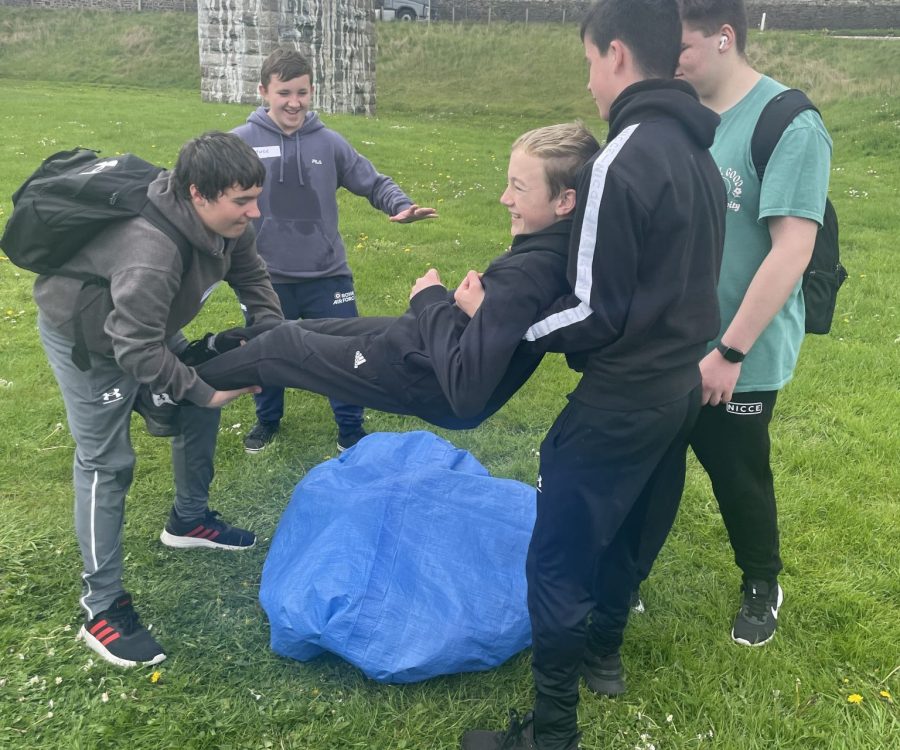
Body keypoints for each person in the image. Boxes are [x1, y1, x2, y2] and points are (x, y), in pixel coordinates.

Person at [461, 1, 725, 748]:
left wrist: (500, 323)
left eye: (587, 64)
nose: (589, 84)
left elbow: (592, 311)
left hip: (620, 398)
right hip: (679, 391)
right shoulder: (699, 154)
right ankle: (603, 653)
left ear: (615, 55)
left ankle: (551, 733)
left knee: (558, 555)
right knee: (635, 525)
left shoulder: (623, 157)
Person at [34, 132, 284, 668]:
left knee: (198, 385)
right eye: (242, 201)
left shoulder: (229, 226)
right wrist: (201, 390)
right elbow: (135, 348)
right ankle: (101, 606)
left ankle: (189, 520)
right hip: (90, 336)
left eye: (255, 197)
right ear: (199, 194)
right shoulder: (150, 251)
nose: (254, 211)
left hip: (145, 321)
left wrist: (273, 338)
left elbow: (252, 275)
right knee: (108, 461)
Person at [632, 0, 833, 647]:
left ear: (724, 39)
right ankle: (626, 573)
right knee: (649, 462)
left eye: (682, 50)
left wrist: (729, 349)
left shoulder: (787, 123)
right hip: (673, 344)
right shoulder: (685, 117)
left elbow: (792, 250)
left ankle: (761, 581)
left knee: (737, 471)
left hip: (738, 353)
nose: (672, 64)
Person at [191, 123, 600, 429]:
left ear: (565, 201)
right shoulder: (564, 249)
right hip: (417, 346)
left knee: (284, 346)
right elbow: (497, 331)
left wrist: (431, 300)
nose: (504, 198)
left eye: (519, 188)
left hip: (418, 375)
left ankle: (168, 390)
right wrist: (465, 311)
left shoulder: (528, 272)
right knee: (301, 327)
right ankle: (206, 350)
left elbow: (466, 393)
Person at [231, 47, 437, 454]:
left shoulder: (329, 143)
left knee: (346, 354)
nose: (294, 102)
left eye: (303, 92)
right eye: (284, 92)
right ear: (263, 92)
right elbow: (214, 193)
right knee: (266, 350)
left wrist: (400, 205)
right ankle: (267, 421)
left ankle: (350, 429)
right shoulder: (241, 143)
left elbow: (373, 181)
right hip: (265, 277)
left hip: (328, 275)